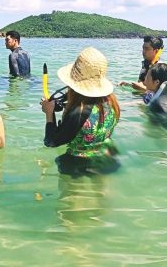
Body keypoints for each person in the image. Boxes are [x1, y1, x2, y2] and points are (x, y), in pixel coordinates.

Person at [41, 47, 120, 175]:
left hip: (79, 165)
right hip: (107, 157)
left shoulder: (77, 113)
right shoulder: (112, 103)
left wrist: (49, 113)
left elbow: (51, 141)